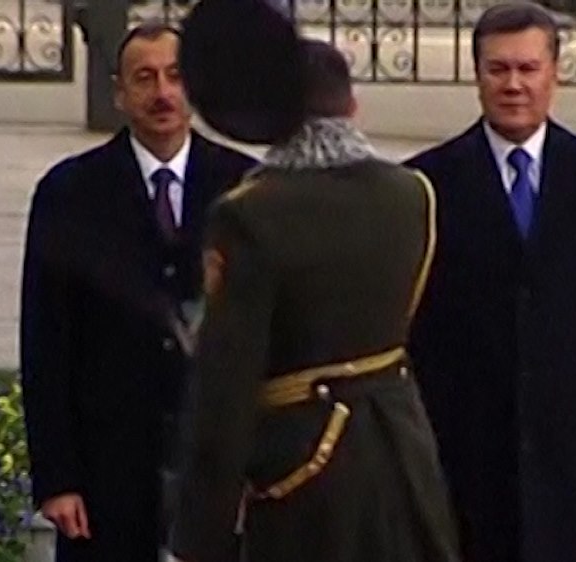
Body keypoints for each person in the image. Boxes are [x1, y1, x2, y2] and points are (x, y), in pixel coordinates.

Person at [165, 1, 462, 561]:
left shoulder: (250, 213)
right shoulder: (412, 194)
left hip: (302, 472)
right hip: (403, 456)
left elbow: (226, 384)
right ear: (353, 106)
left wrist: (199, 535)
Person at [404, 2, 576, 561]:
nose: (513, 85)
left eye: (527, 68)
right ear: (476, 74)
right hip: (467, 465)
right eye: (498, 69)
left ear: (555, 73)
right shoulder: (426, 185)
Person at [18, 20, 257, 562]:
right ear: (119, 93)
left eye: (175, 75)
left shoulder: (245, 188)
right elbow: (46, 340)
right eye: (145, 78)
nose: (162, 93)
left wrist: (260, 468)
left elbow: (271, 338)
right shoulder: (70, 192)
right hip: (108, 470)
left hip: (215, 469)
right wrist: (57, 479)